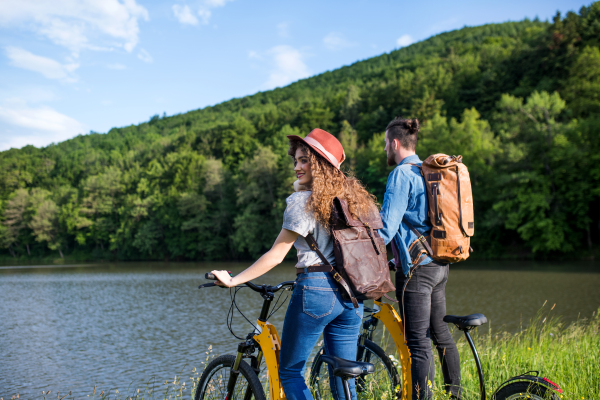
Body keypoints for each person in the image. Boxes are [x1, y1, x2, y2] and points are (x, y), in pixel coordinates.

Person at [210, 128, 379, 400]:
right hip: (353, 295)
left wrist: (233, 280)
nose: (297, 167)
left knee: (289, 372)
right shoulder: (356, 202)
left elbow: (276, 254)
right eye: (296, 161)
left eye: (304, 161)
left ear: (321, 166)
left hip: (317, 290)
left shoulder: (304, 202)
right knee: (342, 378)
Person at [378, 117, 462, 399]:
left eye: (385, 145)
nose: (385, 151)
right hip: (439, 264)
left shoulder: (401, 175)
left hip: (416, 272)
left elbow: (386, 229)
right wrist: (394, 261)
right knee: (440, 334)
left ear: (395, 143)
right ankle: (455, 395)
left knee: (417, 343)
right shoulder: (427, 171)